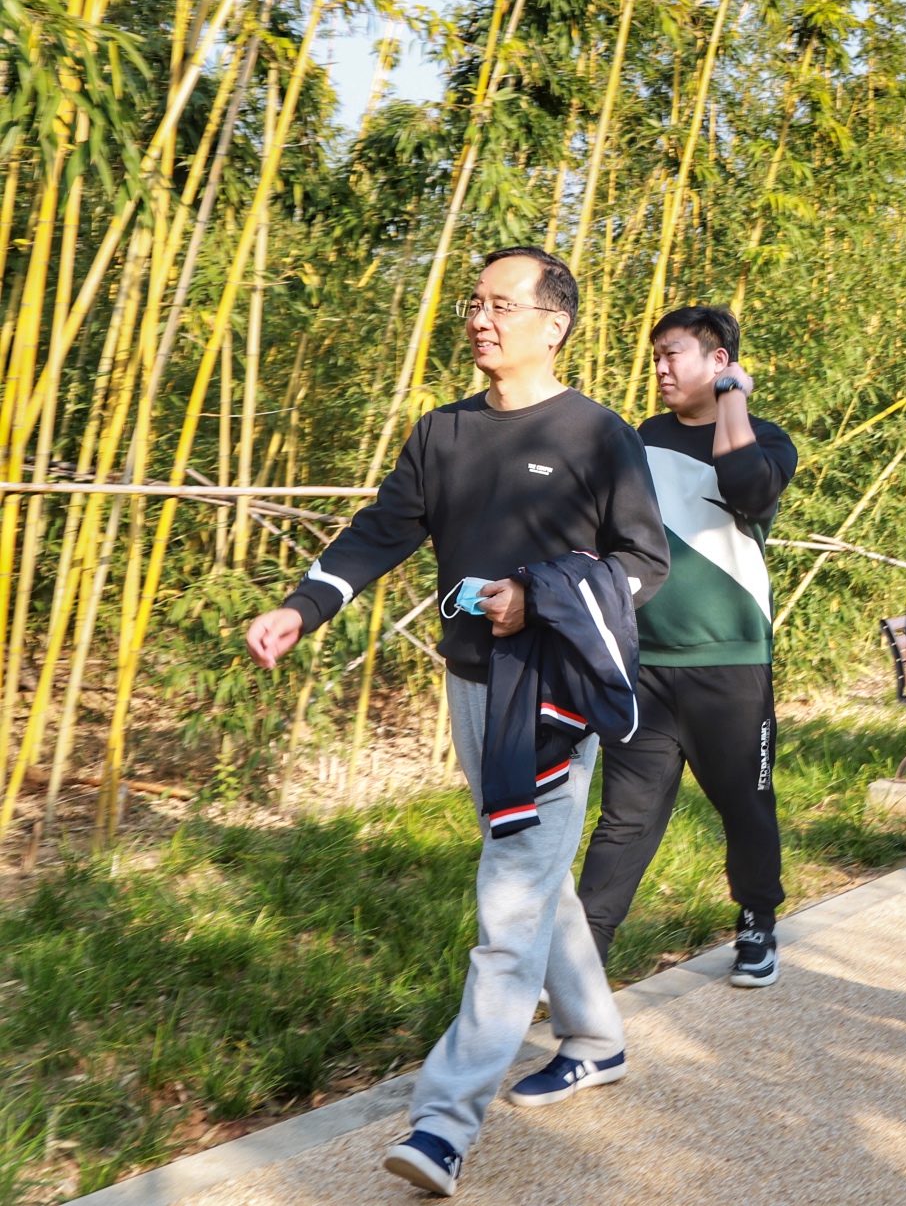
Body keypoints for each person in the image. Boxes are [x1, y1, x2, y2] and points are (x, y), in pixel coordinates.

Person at [244, 247, 670, 1198]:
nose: (480, 318)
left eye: (501, 304)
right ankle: (595, 1036)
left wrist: (540, 596)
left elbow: (644, 562)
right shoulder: (443, 431)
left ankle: (443, 1119)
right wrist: (302, 607)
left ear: (553, 324)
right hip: (471, 682)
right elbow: (380, 530)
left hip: (550, 694)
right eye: (474, 302)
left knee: (510, 897)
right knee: (531, 867)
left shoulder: (600, 435)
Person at [577, 306, 797, 987]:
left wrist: (734, 400)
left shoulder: (766, 439)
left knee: (746, 804)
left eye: (673, 354)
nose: (661, 369)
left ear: (719, 360)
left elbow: (746, 486)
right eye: (656, 357)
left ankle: (756, 922)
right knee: (625, 818)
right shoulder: (638, 440)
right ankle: (582, 954)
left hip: (730, 662)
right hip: (645, 663)